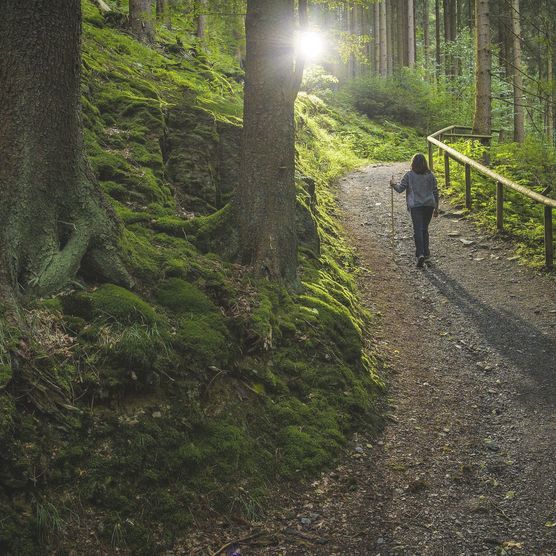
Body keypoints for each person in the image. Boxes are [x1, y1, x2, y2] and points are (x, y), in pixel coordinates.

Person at [390, 153, 439, 268]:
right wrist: (436, 208)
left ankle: (420, 254)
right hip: (429, 205)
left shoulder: (409, 175)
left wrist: (393, 184)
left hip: (415, 205)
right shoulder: (430, 175)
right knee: (424, 229)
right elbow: (435, 192)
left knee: (417, 230)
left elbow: (400, 189)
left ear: (413, 163)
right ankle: (426, 254)